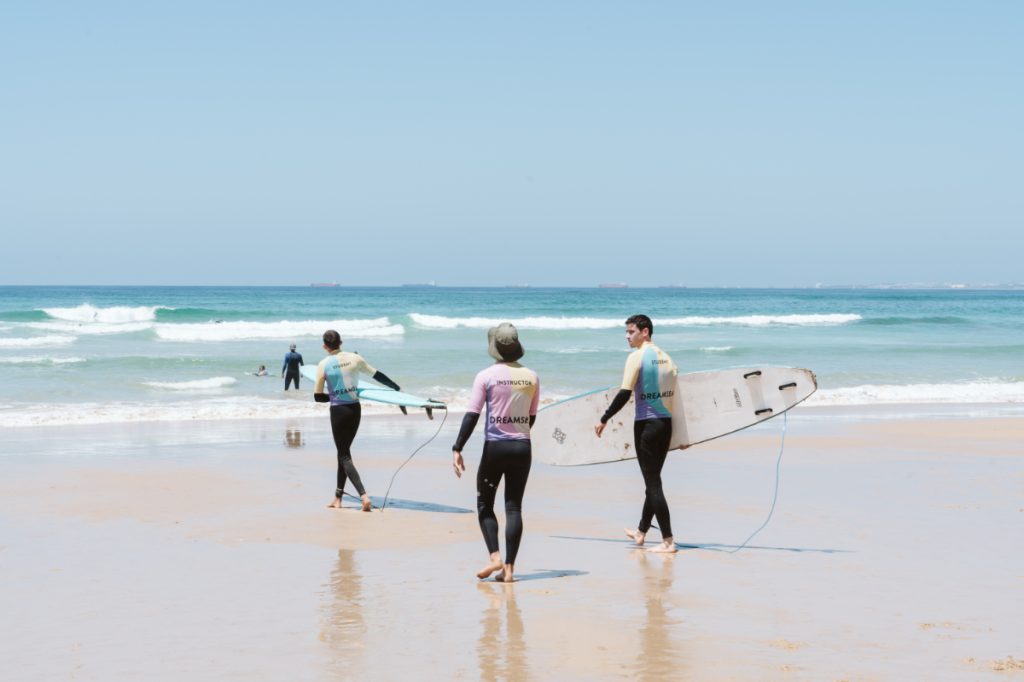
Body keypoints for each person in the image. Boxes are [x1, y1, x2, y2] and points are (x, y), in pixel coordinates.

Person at [452, 323, 539, 583]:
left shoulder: (486, 376)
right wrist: (517, 433)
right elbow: (531, 416)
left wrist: (458, 447)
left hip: (495, 448)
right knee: (514, 507)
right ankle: (509, 570)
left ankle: (495, 557)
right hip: (522, 447)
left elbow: (472, 414)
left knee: (485, 504)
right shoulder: (532, 376)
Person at [594, 314, 679, 553]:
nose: (627, 336)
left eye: (631, 332)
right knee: (653, 482)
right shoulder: (667, 358)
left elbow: (624, 393)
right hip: (665, 425)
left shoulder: (636, 357)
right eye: (626, 332)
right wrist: (683, 436)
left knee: (653, 484)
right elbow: (677, 397)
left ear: (645, 332)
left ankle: (668, 541)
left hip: (646, 426)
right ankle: (641, 532)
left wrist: (604, 418)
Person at [314, 329, 402, 511]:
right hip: (355, 409)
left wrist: (334, 395)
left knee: (344, 455)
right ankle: (338, 498)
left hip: (338, 411)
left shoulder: (323, 365)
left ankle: (364, 496)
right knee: (343, 453)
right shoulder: (355, 358)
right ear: (341, 342)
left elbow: (318, 397)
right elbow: (377, 375)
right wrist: (396, 388)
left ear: (324, 346)